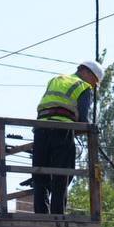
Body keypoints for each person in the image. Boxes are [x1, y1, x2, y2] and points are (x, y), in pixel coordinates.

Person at [32, 60, 103, 214]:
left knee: (40, 176)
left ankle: (41, 216)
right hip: (62, 130)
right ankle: (58, 216)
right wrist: (90, 130)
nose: (94, 86)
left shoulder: (56, 80)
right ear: (87, 72)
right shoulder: (83, 86)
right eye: (95, 81)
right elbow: (83, 119)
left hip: (40, 129)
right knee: (62, 175)